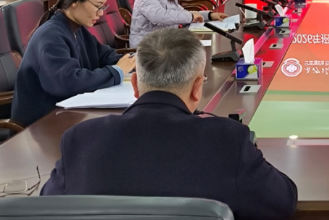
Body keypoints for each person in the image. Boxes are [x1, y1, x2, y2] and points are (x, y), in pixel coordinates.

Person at [42, 28, 298, 219]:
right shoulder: (228, 140)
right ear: (197, 88)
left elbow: (47, 205)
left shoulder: (80, 140)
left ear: (135, 86)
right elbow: (283, 202)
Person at [11, 0, 137, 127]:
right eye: (98, 6)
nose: (101, 13)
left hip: (67, 115)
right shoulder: (51, 35)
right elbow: (68, 83)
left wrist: (136, 62)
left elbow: (104, 56)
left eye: (104, 7)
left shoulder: (77, 29)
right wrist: (117, 71)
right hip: (40, 125)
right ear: (75, 1)